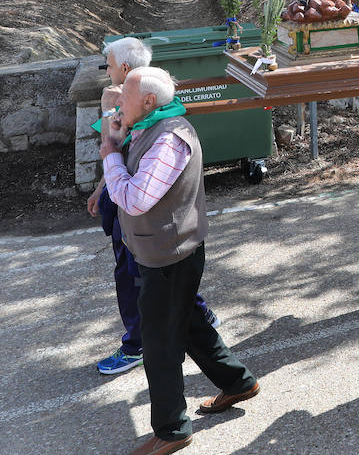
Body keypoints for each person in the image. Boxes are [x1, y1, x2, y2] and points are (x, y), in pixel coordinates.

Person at [99, 67, 257, 455]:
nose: (120, 103)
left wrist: (109, 156)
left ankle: (172, 430)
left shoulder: (170, 139)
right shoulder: (149, 124)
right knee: (186, 323)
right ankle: (238, 382)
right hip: (162, 252)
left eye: (126, 96)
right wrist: (116, 142)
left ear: (150, 101)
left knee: (159, 346)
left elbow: (136, 198)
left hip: (169, 256)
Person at [86, 38, 219, 378]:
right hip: (143, 217)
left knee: (136, 277)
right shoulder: (145, 109)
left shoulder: (134, 111)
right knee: (164, 285)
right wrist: (102, 187)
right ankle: (207, 338)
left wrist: (106, 184)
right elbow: (117, 150)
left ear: (128, 73)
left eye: (110, 65)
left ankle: (137, 345)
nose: (107, 71)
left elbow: (115, 155)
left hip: (144, 223)